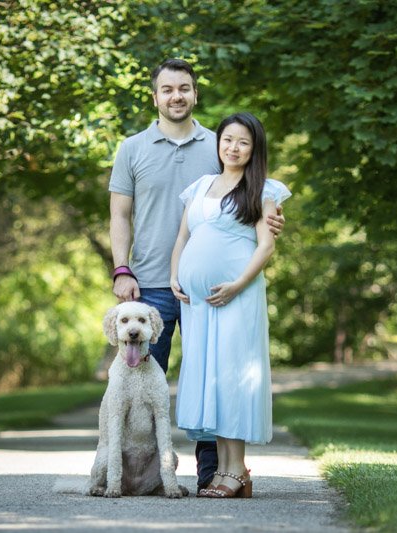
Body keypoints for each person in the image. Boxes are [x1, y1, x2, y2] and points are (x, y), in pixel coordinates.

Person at [108, 59, 283, 493]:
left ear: (195, 93)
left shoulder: (218, 144)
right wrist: (122, 269)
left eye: (184, 88)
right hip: (151, 284)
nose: (176, 96)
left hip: (212, 293)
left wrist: (271, 219)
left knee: (213, 376)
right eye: (167, 89)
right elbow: (120, 215)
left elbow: (251, 193)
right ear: (155, 97)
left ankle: (214, 472)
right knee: (140, 386)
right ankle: (142, 475)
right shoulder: (132, 148)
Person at [170, 112, 291, 499]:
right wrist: (175, 275)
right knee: (214, 379)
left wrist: (238, 285)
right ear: (218, 142)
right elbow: (183, 237)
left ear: (254, 149)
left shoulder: (262, 190)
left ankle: (237, 470)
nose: (233, 148)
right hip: (200, 305)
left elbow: (266, 246)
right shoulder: (200, 186)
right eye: (227, 139)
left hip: (237, 297)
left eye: (243, 142)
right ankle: (224, 469)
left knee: (233, 376)